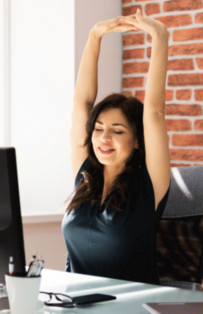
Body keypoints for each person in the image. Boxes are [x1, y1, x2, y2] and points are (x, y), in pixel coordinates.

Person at [61, 9, 170, 285]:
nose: (103, 138)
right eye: (98, 129)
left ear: (136, 140)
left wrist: (159, 35)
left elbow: (154, 112)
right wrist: (95, 35)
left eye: (117, 131)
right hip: (73, 303)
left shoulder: (149, 186)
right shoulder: (84, 178)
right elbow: (81, 104)